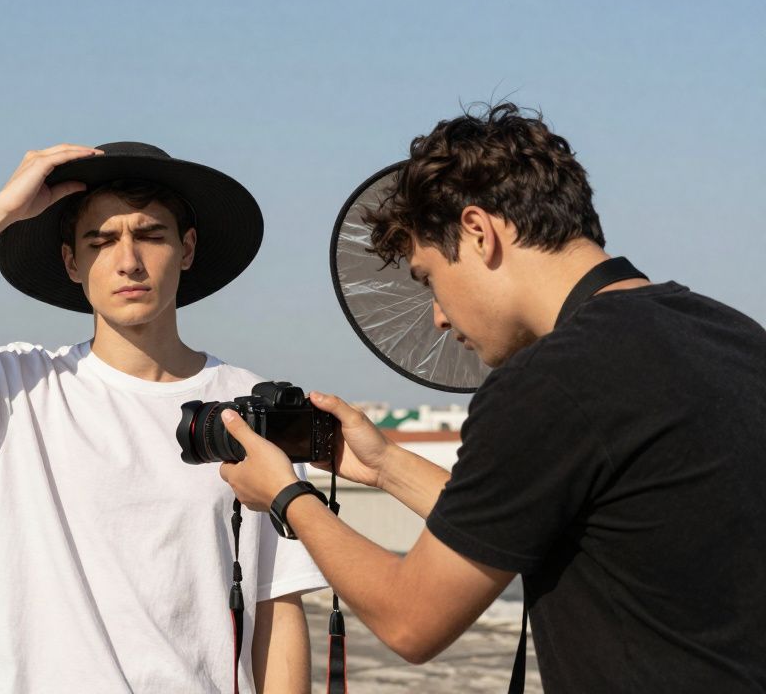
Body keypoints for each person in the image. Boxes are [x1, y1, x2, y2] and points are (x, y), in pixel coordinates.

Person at [217, 104, 766, 692]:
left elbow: (410, 621)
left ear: (479, 232)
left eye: (428, 277)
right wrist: (385, 467)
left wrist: (286, 494)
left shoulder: (552, 380)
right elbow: (522, 518)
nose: (436, 317)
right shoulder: (732, 335)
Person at [0, 142, 327, 693]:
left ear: (187, 249)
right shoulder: (20, 389)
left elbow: (277, 604)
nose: (128, 261)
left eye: (150, 235)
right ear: (72, 263)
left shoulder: (248, 405)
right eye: (100, 242)